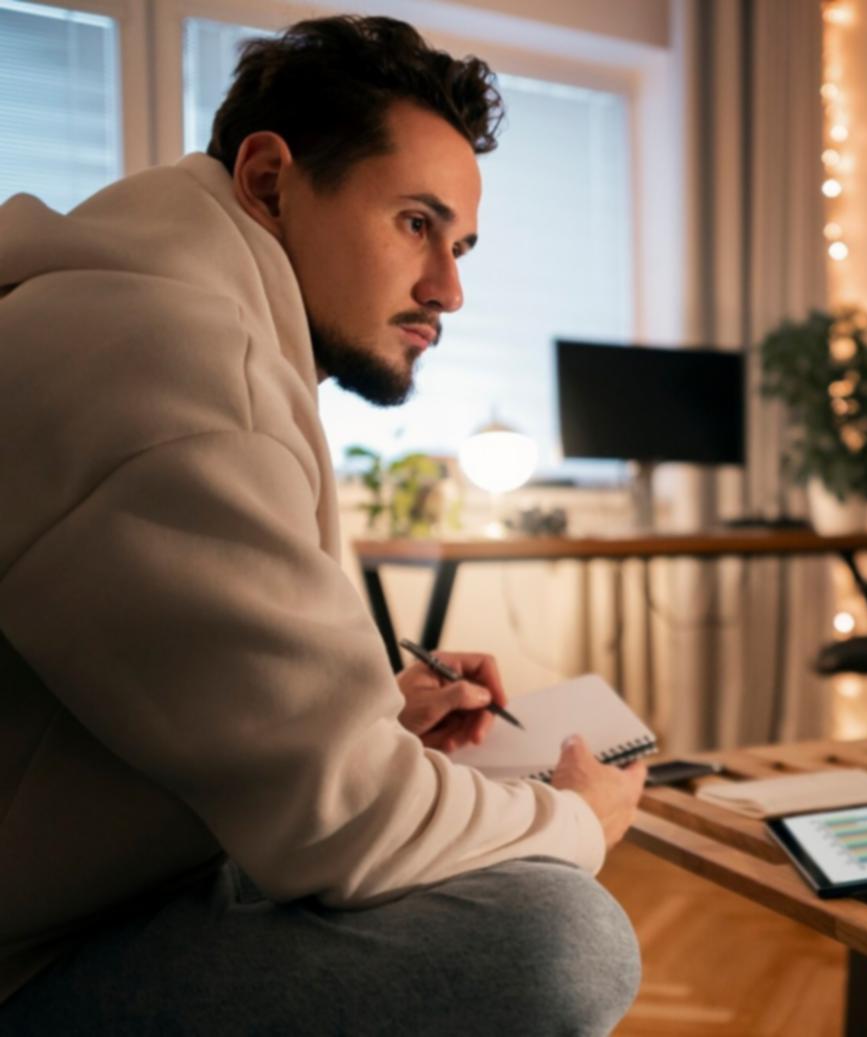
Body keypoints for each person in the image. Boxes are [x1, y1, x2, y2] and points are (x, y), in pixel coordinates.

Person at [0, 15, 645, 1034]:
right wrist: (574, 817)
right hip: (32, 960)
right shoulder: (169, 367)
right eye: (415, 223)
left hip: (89, 890)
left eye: (461, 243)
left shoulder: (141, 318)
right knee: (558, 936)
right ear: (266, 181)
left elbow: (155, 711)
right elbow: (346, 826)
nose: (450, 289)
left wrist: (372, 715)